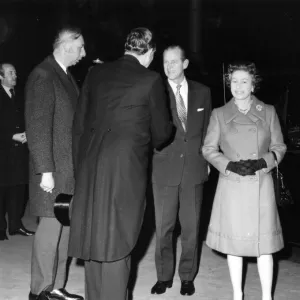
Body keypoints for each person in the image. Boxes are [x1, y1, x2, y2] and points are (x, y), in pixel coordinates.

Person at [68, 27, 173, 300]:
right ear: (149, 52)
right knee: (118, 240)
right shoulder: (150, 80)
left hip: (90, 169)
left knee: (93, 238)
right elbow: (162, 133)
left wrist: (81, 169)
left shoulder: (95, 73)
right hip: (126, 170)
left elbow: (78, 126)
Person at [202, 61, 286, 300]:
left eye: (244, 82)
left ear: (253, 85)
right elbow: (208, 149)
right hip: (233, 186)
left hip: (261, 186)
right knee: (235, 247)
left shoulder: (268, 111)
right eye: (234, 81)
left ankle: (266, 296)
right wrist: (229, 165)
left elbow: (280, 147)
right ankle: (237, 295)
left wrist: (263, 162)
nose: (238, 87)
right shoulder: (219, 114)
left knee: (265, 247)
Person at [25, 27, 86, 300]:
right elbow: (38, 128)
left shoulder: (64, 76)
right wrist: (45, 171)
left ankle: (56, 287)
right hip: (52, 173)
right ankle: (39, 291)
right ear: (65, 46)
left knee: (63, 233)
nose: (84, 53)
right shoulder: (43, 75)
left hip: (68, 171)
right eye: (80, 47)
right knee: (49, 234)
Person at [151, 45, 212, 296]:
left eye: (174, 62)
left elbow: (209, 130)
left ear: (185, 64)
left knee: (191, 228)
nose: (169, 67)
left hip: (194, 170)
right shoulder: (155, 91)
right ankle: (163, 276)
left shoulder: (203, 92)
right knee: (163, 228)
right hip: (164, 169)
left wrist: (208, 161)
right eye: (165, 62)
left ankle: (187, 276)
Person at [0, 63, 34, 241]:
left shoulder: (19, 95)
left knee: (18, 190)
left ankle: (15, 225)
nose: (15, 75)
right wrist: (10, 136)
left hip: (20, 152)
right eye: (10, 73)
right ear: (0, 77)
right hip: (3, 151)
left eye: (15, 72)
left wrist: (28, 133)